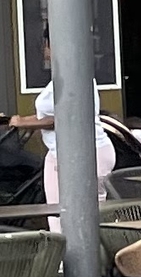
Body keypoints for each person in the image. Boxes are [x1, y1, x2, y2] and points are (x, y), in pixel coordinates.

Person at [6, 43, 116, 208]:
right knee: (57, 211)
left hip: (87, 151)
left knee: (89, 213)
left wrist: (21, 122)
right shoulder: (61, 78)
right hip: (58, 153)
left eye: (46, 45)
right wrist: (19, 120)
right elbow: (48, 115)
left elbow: (64, 120)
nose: (43, 50)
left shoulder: (75, 77)